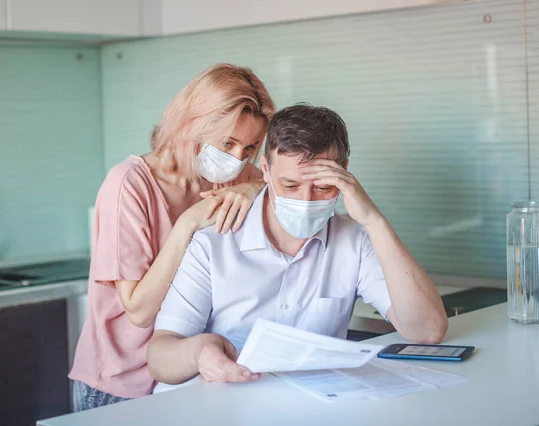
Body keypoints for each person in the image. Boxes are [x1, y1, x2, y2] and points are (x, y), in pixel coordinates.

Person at [146, 104, 448, 386]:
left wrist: (374, 222)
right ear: (265, 169)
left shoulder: (355, 239)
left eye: (323, 186)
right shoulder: (214, 241)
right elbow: (159, 356)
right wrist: (198, 353)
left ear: (345, 173)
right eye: (290, 185)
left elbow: (427, 331)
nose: (305, 200)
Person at [68, 64, 276, 410]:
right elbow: (139, 310)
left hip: (189, 378)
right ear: (192, 124)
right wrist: (187, 225)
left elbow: (282, 187)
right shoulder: (129, 185)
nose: (238, 160)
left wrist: (255, 187)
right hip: (122, 385)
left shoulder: (233, 178)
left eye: (250, 148)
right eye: (228, 143)